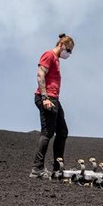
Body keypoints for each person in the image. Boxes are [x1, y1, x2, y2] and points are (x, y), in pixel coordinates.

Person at [30, 34, 75, 179]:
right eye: (68, 50)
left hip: (54, 99)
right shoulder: (48, 55)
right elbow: (40, 75)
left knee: (62, 131)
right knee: (47, 132)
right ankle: (37, 169)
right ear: (61, 45)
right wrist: (45, 98)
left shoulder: (56, 59)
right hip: (47, 98)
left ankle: (58, 167)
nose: (68, 54)